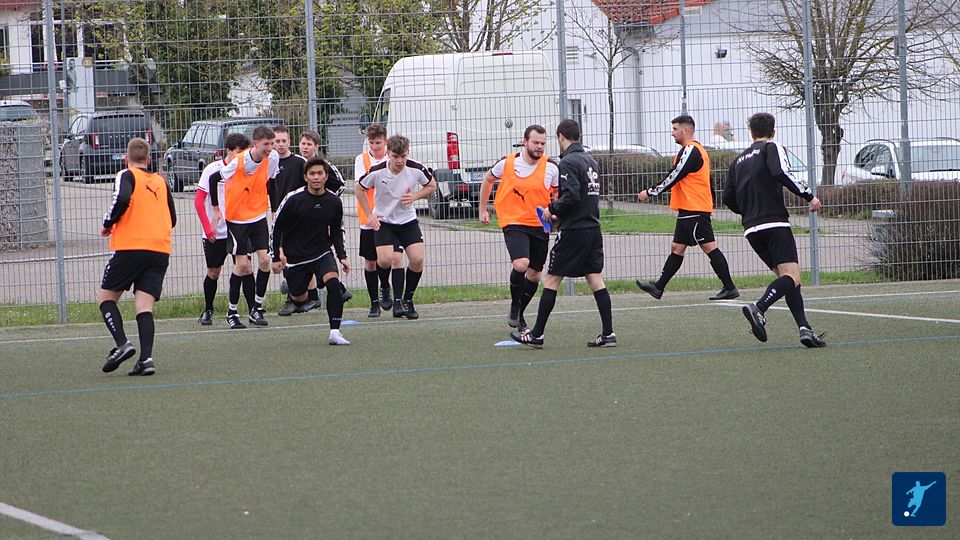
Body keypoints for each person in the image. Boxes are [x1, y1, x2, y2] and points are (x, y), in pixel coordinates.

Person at [722, 112, 826, 348]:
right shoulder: (772, 147)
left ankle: (805, 329)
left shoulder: (738, 160)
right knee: (792, 276)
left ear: (751, 132)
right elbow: (782, 172)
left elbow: (727, 196)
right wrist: (809, 196)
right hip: (774, 223)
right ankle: (759, 308)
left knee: (787, 279)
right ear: (773, 131)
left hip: (751, 229)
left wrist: (747, 212)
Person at [511, 119, 616, 348]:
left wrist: (552, 210)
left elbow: (571, 195)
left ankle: (537, 334)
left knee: (551, 279)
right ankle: (608, 333)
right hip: (592, 228)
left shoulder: (568, 162)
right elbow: (584, 197)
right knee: (595, 277)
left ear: (560, 136)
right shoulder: (590, 161)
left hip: (574, 231)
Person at [636, 115, 739, 301]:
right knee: (677, 247)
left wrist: (650, 192)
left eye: (675, 129)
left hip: (694, 209)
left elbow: (675, 175)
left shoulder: (691, 150)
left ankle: (730, 287)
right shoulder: (692, 150)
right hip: (690, 208)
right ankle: (658, 288)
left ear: (686, 130)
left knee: (709, 247)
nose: (672, 133)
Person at [98, 138, 176, 376]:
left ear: (126, 159)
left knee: (106, 298)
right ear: (149, 159)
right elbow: (172, 218)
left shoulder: (126, 175)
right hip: (160, 249)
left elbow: (121, 199)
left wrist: (108, 223)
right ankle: (146, 359)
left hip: (131, 246)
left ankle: (122, 344)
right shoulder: (161, 182)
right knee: (144, 306)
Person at [479, 124, 559, 329]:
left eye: (543, 143)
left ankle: (520, 313)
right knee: (521, 264)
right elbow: (488, 179)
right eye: (535, 142)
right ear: (525, 142)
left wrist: (557, 213)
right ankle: (515, 305)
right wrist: (483, 209)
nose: (539, 146)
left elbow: (559, 194)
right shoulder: (507, 163)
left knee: (535, 275)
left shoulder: (551, 167)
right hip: (513, 221)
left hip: (539, 225)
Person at [271, 157, 352, 345]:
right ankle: (294, 290)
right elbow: (276, 228)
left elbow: (336, 230)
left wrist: (342, 256)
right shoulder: (293, 199)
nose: (316, 177)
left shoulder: (333, 201)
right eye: (312, 174)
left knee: (333, 283)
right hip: (296, 257)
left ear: (326, 176)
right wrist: (275, 256)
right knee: (300, 299)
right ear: (305, 177)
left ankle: (335, 332)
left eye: (320, 173)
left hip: (322, 252)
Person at [356, 134, 436, 319]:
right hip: (385, 222)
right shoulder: (377, 171)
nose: (400, 161)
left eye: (403, 156)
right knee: (384, 260)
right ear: (388, 154)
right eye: (395, 156)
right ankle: (384, 286)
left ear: (408, 153)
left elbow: (431, 185)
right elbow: (359, 189)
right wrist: (369, 215)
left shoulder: (416, 168)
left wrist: (415, 196)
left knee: (417, 259)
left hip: (408, 221)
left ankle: (408, 299)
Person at [209, 125, 278, 328]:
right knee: (242, 266)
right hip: (237, 219)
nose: (270, 148)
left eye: (272, 143)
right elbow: (214, 179)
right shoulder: (239, 162)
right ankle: (232, 312)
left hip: (258, 216)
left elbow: (271, 183)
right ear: (255, 144)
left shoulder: (272, 158)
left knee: (265, 260)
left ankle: (256, 308)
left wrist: (274, 209)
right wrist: (216, 209)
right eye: (266, 144)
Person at [194, 133, 254, 326]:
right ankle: (208, 310)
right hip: (216, 231)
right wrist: (207, 227)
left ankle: (253, 311)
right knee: (214, 271)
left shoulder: (247, 169)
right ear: (228, 151)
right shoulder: (213, 169)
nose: (242, 157)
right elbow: (199, 200)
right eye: (238, 152)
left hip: (239, 229)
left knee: (246, 267)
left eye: (245, 153)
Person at [269, 125, 321, 316]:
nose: (281, 144)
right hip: (280, 216)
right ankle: (302, 296)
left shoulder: (300, 162)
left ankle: (298, 298)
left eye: (284, 141)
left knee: (298, 255)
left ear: (289, 142)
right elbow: (269, 188)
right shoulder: (269, 163)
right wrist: (273, 209)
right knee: (284, 255)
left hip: (299, 218)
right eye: (277, 141)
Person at [355, 123, 402, 317]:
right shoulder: (362, 159)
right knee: (371, 262)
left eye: (378, 143)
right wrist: (370, 214)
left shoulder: (392, 158)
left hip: (391, 217)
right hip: (369, 217)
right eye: (371, 143)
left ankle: (391, 293)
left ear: (386, 141)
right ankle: (374, 302)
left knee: (394, 258)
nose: (375, 147)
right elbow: (362, 185)